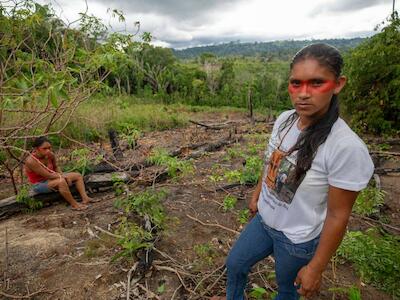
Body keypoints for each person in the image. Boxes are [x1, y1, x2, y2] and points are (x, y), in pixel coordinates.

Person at [211, 43, 374, 300]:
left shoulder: (345, 147)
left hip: (297, 240)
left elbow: (337, 215)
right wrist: (257, 195)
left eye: (316, 83)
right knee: (235, 264)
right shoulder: (285, 119)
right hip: (264, 222)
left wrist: (316, 268)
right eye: (296, 83)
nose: (303, 93)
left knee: (287, 290)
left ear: (338, 84)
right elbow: (271, 162)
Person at [25, 136, 92, 210]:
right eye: (44, 149)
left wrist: (62, 174)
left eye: (49, 148)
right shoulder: (31, 161)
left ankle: (85, 198)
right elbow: (48, 175)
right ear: (36, 149)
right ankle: (74, 204)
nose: (48, 150)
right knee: (61, 182)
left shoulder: (50, 155)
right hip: (39, 184)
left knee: (78, 176)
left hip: (54, 177)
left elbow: (56, 167)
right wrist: (63, 177)